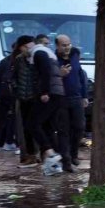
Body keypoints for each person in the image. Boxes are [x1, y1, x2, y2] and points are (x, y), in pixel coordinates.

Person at [29, 34, 68, 175]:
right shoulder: (50, 54)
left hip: (49, 93)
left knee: (34, 124)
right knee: (48, 127)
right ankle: (53, 165)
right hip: (57, 93)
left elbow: (44, 72)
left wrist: (44, 92)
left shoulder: (38, 52)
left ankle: (51, 155)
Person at [56, 34, 87, 170]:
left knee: (79, 127)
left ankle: (73, 154)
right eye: (64, 45)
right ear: (57, 46)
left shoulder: (74, 57)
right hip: (61, 99)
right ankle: (66, 160)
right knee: (64, 130)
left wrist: (84, 96)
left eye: (68, 44)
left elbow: (81, 76)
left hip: (76, 97)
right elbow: (48, 77)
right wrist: (59, 74)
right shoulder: (53, 60)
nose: (67, 47)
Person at [13, 35, 40, 167]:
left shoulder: (38, 58)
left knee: (37, 127)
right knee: (26, 128)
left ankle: (40, 153)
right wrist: (16, 89)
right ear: (21, 47)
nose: (29, 49)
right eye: (27, 47)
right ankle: (30, 155)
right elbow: (13, 77)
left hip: (36, 99)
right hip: (23, 99)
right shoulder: (18, 60)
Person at [0, 40, 20, 153]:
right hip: (10, 93)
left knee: (3, 119)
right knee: (11, 118)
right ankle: (9, 143)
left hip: (5, 92)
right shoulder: (14, 61)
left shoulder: (5, 61)